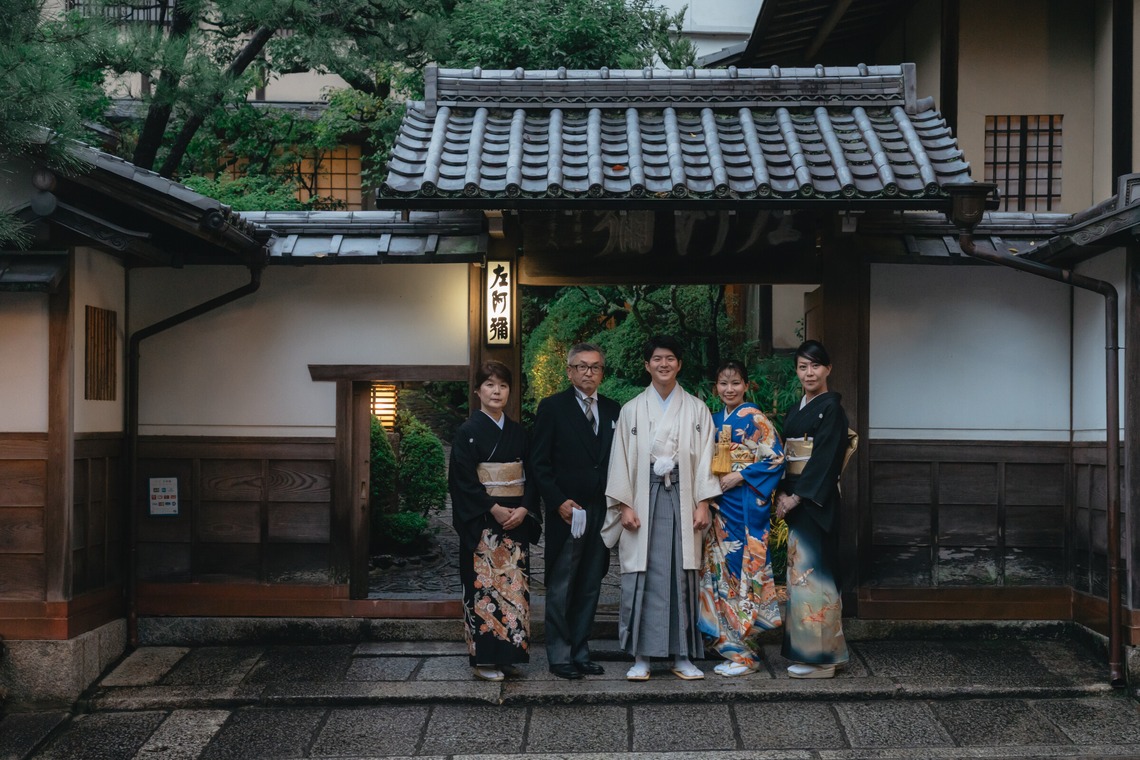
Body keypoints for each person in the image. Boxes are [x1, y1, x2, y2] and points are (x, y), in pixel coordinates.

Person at [603, 335, 721, 681]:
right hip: (643, 497)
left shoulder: (696, 409)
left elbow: (705, 461)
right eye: (657, 359)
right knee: (644, 574)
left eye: (670, 358)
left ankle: (682, 655)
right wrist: (624, 504)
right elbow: (620, 461)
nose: (664, 364)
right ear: (647, 365)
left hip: (683, 498)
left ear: (679, 364)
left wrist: (703, 503)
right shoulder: (632, 410)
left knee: (681, 576)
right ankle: (641, 656)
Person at [530, 343, 620, 680]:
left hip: (601, 506)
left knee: (591, 582)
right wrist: (557, 502)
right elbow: (539, 462)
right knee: (562, 583)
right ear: (569, 371)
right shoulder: (553, 408)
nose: (588, 373)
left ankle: (581, 650)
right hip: (568, 509)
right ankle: (560, 653)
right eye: (581, 367)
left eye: (595, 367)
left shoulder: (613, 410)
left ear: (601, 372)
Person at [449, 360, 542, 682]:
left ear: (509, 391)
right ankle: (484, 660)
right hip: (484, 525)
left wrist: (525, 508)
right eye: (489, 385)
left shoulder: (518, 432)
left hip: (514, 521)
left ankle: (509, 655)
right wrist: (492, 507)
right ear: (477, 391)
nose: (496, 391)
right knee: (484, 590)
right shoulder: (467, 432)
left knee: (514, 590)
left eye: (502, 385)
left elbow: (532, 474)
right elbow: (462, 480)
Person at [698, 360, 785, 677]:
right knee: (721, 577)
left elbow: (776, 458)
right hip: (722, 509)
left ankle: (747, 656)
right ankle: (731, 648)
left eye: (735, 383)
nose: (729, 389)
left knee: (743, 578)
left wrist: (742, 475)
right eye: (723, 383)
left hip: (746, 507)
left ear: (746, 386)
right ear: (715, 388)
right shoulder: (713, 418)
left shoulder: (755, 418)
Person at [774, 340, 850, 679]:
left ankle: (822, 659)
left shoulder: (832, 409)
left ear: (828, 369)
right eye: (803, 367)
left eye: (815, 366)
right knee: (800, 578)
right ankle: (817, 653)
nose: (809, 373)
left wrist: (797, 497)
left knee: (814, 578)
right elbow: (784, 455)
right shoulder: (796, 408)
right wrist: (779, 492)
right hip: (796, 501)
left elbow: (825, 459)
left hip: (814, 503)